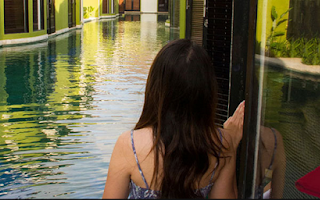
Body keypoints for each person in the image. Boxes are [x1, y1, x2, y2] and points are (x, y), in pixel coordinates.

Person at [103, 39, 245, 199]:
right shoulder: (221, 144)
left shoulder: (130, 145)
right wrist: (231, 142)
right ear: (207, 92)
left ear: (156, 88)